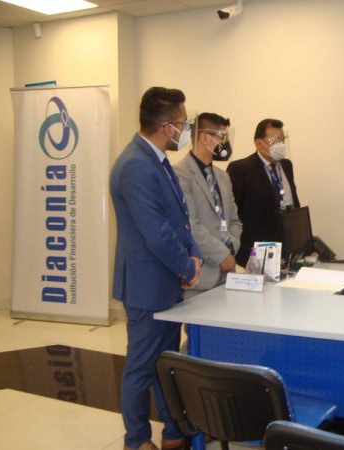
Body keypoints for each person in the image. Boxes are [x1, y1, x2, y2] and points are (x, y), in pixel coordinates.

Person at [110, 87, 202, 450]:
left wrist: (192, 256)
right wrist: (186, 268)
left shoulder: (157, 160)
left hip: (167, 282)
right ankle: (135, 440)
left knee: (166, 363)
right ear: (167, 127)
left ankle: (173, 429)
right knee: (141, 367)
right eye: (184, 123)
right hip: (147, 287)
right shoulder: (135, 165)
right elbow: (157, 233)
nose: (185, 130)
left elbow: (179, 218)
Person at [174, 113, 242, 295]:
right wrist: (221, 255)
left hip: (227, 274)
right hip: (201, 278)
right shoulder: (180, 174)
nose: (225, 143)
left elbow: (235, 220)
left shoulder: (223, 176)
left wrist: (231, 248)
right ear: (204, 138)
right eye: (222, 136)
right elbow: (191, 225)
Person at [227, 118, 300, 267]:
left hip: (286, 249)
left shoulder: (286, 165)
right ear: (259, 143)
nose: (280, 145)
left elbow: (293, 203)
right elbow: (231, 214)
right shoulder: (240, 169)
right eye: (275, 140)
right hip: (255, 252)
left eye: (282, 140)